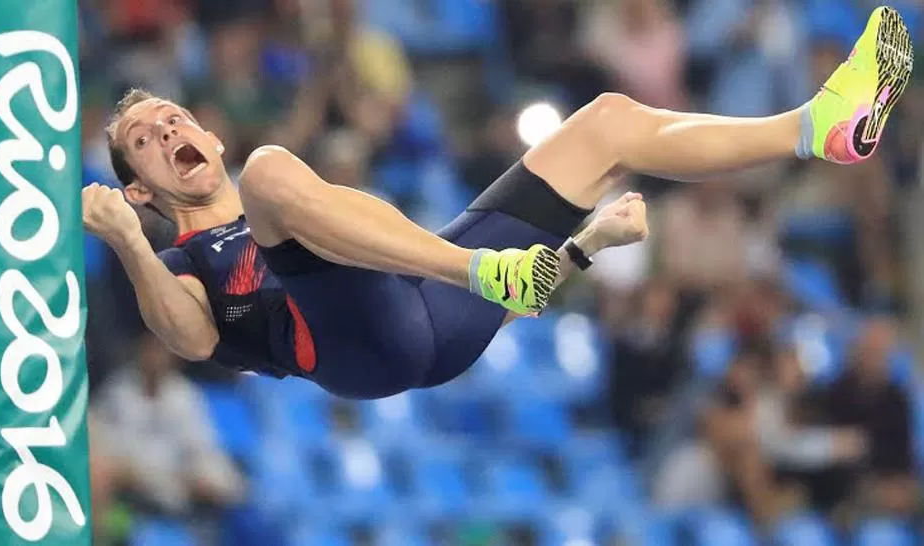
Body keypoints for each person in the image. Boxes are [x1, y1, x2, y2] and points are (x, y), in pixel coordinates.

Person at [83, 7, 912, 400]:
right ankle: (481, 267)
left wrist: (582, 246)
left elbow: (488, 300)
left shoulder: (275, 184)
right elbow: (190, 339)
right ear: (138, 187)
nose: (168, 127)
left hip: (438, 316)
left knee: (608, 125)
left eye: (172, 116)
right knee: (275, 173)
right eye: (148, 140)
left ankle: (816, 127)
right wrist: (126, 241)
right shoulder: (185, 258)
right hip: (363, 348)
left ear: (207, 136)